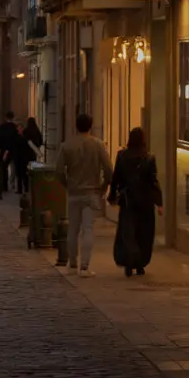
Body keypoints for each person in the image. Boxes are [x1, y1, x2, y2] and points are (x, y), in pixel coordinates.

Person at [54, 111, 112, 273]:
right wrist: (103, 187)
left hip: (74, 192)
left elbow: (58, 171)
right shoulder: (98, 145)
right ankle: (85, 267)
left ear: (76, 126)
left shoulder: (67, 146)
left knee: (73, 229)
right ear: (90, 126)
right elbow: (108, 168)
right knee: (88, 229)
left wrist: (67, 185)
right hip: (92, 192)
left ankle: (72, 264)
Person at [109, 125, 162, 277]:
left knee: (128, 232)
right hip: (145, 202)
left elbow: (116, 178)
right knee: (144, 233)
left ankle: (129, 258)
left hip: (128, 201)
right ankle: (139, 263)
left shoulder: (122, 156)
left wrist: (112, 195)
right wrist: (159, 203)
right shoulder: (149, 158)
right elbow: (153, 182)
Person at [0, 111, 21, 199]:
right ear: (13, 117)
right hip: (14, 150)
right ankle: (14, 184)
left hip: (4, 151)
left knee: (3, 169)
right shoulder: (15, 128)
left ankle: (4, 186)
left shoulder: (1, 127)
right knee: (14, 167)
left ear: (5, 117)